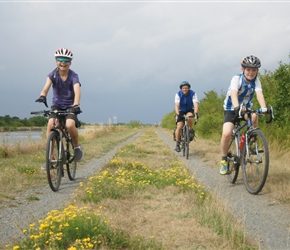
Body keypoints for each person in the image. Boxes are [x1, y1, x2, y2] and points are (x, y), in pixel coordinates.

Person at [35, 48, 83, 170]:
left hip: (70, 106)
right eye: (60, 59)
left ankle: (77, 146)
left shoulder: (73, 76)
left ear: (70, 63)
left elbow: (77, 90)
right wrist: (42, 95)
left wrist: (76, 105)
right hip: (56, 105)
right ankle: (50, 158)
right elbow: (46, 87)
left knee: (70, 125)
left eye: (66, 60)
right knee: (50, 124)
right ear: (56, 61)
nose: (63, 62)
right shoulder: (52, 75)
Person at [220, 55, 267, 175]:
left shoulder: (256, 81)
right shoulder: (236, 79)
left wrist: (264, 108)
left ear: (257, 71)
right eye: (248, 69)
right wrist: (236, 108)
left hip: (246, 108)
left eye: (254, 70)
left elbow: (259, 94)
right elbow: (234, 94)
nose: (251, 72)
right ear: (243, 70)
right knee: (226, 134)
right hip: (232, 108)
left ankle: (251, 141)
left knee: (255, 116)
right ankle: (224, 160)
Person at [174, 81, 199, 152]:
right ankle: (177, 143)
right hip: (181, 110)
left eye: (186, 88)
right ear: (181, 89)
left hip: (189, 109)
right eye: (183, 88)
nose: (185, 89)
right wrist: (177, 113)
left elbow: (196, 103)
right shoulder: (178, 94)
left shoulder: (193, 93)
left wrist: (196, 113)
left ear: (189, 88)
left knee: (189, 116)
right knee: (179, 126)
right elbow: (177, 105)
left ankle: (190, 130)